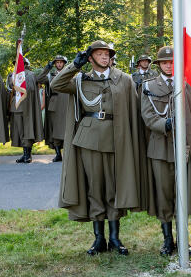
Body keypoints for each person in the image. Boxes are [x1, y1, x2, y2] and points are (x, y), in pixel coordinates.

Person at [51, 40, 143, 256]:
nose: (104, 57)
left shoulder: (123, 79)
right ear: (90, 58)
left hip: (115, 138)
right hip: (89, 140)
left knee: (113, 188)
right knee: (94, 189)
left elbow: (134, 109)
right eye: (99, 54)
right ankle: (99, 239)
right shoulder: (81, 79)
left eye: (107, 53)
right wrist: (74, 66)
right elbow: (56, 85)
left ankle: (115, 238)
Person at [141, 46, 191, 256]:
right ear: (158, 65)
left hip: (184, 148)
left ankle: (183, 239)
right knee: (164, 194)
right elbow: (147, 116)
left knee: (182, 194)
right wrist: (164, 124)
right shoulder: (149, 86)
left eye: (172, 62)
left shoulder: (189, 85)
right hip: (161, 148)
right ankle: (167, 240)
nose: (168, 65)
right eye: (164, 62)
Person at [7, 57, 44, 163]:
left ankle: (28, 155)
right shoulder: (12, 74)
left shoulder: (30, 75)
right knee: (20, 130)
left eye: (21, 63)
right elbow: (10, 86)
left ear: (25, 64)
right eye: (17, 63)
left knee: (28, 130)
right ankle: (24, 154)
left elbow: (31, 89)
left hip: (28, 106)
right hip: (16, 106)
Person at [36, 55, 69, 162]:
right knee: (55, 130)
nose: (59, 64)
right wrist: (47, 68)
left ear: (64, 63)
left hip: (67, 104)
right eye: (57, 62)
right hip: (54, 105)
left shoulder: (69, 74)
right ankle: (58, 154)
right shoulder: (50, 76)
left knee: (67, 129)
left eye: (61, 62)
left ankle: (68, 154)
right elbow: (39, 79)